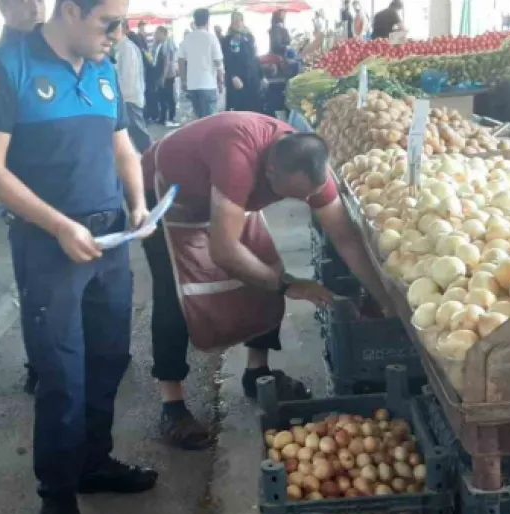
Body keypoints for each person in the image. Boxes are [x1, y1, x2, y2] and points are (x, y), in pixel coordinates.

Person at [0, 0, 156, 514]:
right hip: (49, 247)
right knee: (61, 374)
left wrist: (139, 204)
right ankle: (57, 494)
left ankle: (94, 463)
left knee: (109, 357)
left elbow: (122, 147)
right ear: (71, 11)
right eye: (109, 23)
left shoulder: (102, 68)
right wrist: (57, 226)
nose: (118, 35)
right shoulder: (6, 68)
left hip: (109, 241)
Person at [140, 112, 390, 449]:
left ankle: (257, 372)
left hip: (225, 194)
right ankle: (173, 405)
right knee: (176, 295)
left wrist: (385, 299)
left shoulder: (308, 167)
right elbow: (224, 251)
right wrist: (288, 285)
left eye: (305, 197)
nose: (300, 201)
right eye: (291, 195)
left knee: (266, 263)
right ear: (270, 173)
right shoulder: (237, 159)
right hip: (167, 193)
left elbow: (345, 238)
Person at [111, 20, 151, 152]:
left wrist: (118, 97)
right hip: (126, 98)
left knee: (139, 135)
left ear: (122, 29)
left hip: (128, 99)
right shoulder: (119, 48)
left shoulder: (127, 48)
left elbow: (127, 78)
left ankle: (152, 161)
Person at [178, 8, 223, 119]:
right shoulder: (212, 38)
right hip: (208, 84)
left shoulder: (187, 38)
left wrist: (183, 80)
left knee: (199, 119)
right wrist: (221, 81)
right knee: (211, 120)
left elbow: (180, 60)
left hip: (192, 85)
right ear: (207, 21)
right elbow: (218, 61)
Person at [222, 11, 262, 114]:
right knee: (240, 111)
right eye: (235, 21)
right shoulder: (227, 40)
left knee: (255, 109)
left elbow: (255, 57)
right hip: (238, 79)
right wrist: (232, 76)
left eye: (240, 20)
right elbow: (226, 61)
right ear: (231, 23)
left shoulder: (249, 37)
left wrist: (262, 75)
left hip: (252, 79)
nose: (238, 23)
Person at [151, 26, 178, 126]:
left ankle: (171, 117)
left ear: (163, 33)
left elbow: (167, 60)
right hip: (160, 73)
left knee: (169, 96)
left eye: (157, 33)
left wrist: (163, 76)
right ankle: (162, 117)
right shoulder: (158, 44)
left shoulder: (167, 43)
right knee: (161, 97)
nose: (156, 35)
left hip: (167, 75)